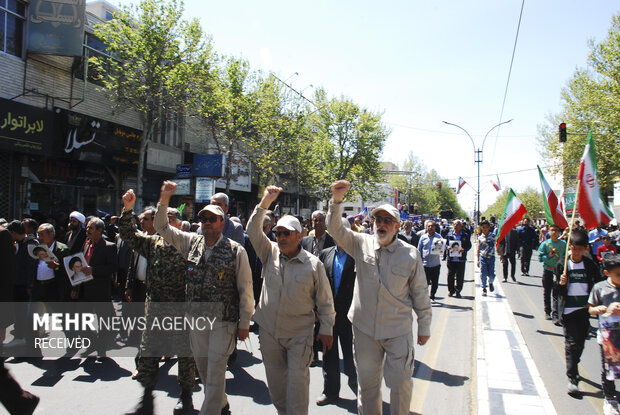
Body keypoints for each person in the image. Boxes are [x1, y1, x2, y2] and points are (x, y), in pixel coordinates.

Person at [326, 180, 431, 415]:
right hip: (365, 331)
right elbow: (335, 230)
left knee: (401, 384)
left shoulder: (410, 254)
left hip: (397, 331)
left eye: (387, 221)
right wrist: (336, 201)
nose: (381, 224)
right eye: (378, 220)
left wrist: (424, 325)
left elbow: (420, 292)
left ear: (397, 226)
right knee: (368, 388)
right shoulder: (360, 243)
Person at [155, 181, 254, 415]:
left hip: (223, 320)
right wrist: (164, 199)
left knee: (217, 368)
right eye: (204, 219)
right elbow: (161, 227)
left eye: (212, 219)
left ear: (222, 222)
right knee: (204, 370)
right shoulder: (191, 242)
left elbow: (246, 290)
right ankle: (221, 402)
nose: (207, 223)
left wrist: (244, 323)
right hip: (196, 319)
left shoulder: (235, 250)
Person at [247, 186, 334, 415]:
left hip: (299, 335)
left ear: (299, 236)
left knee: (297, 386)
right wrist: (265, 201)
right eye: (278, 233)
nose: (282, 237)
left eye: (287, 233)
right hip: (269, 334)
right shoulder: (269, 252)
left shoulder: (314, 265)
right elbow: (252, 229)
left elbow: (325, 302)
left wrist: (326, 328)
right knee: (276, 388)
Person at [120, 190, 197, 415]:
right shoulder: (152, 243)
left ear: (178, 224)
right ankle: (146, 395)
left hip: (182, 310)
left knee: (185, 355)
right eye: (161, 221)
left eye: (169, 221)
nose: (164, 225)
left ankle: (186, 395)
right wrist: (127, 209)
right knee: (148, 353)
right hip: (155, 310)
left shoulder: (190, 245)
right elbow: (127, 233)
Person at [316, 217, 357, 406]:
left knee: (352, 358)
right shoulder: (325, 254)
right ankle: (330, 392)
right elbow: (316, 284)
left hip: (351, 318)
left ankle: (361, 393)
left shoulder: (359, 256)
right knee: (329, 356)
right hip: (329, 316)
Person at [556, 229, 599, 397]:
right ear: (570, 247)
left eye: (580, 249)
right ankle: (573, 378)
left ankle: (575, 361)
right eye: (574, 249)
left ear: (586, 249)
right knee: (571, 343)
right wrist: (560, 283)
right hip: (568, 311)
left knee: (580, 343)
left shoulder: (589, 265)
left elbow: (597, 284)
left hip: (584, 310)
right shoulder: (563, 264)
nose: (577, 253)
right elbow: (557, 292)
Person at [588, 254, 620, 415]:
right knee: (609, 368)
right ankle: (610, 397)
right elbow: (591, 308)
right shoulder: (599, 288)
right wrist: (598, 310)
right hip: (607, 336)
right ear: (607, 273)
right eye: (618, 274)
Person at [538, 224, 567, 323]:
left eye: (556, 230)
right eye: (552, 230)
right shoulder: (545, 244)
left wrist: (561, 261)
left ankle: (556, 314)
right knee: (547, 292)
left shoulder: (563, 244)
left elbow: (566, 257)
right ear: (548, 232)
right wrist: (549, 256)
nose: (554, 232)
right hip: (548, 271)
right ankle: (547, 311)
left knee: (557, 293)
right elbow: (540, 258)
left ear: (559, 232)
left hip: (558, 272)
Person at [417, 220, 443, 300]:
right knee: (424, 283)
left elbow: (443, 248)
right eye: (429, 226)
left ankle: (432, 295)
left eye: (432, 226)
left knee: (435, 283)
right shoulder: (423, 237)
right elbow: (419, 249)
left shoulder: (439, 237)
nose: (430, 228)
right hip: (425, 264)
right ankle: (425, 297)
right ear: (426, 227)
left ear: (435, 228)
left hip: (435, 264)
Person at [446, 220, 472, 298]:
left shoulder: (465, 235)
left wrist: (464, 249)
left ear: (461, 226)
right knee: (450, 275)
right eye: (454, 224)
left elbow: (469, 245)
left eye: (457, 224)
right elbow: (445, 243)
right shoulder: (449, 235)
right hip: (451, 259)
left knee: (460, 276)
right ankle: (451, 290)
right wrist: (447, 247)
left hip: (461, 259)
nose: (455, 226)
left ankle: (458, 291)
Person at [477, 220, 496, 297]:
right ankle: (484, 288)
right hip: (483, 257)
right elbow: (479, 249)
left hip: (491, 257)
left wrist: (501, 255)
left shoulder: (493, 236)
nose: (485, 229)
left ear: (489, 228)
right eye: (483, 227)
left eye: (486, 227)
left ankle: (490, 282)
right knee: (483, 274)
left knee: (491, 274)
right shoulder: (480, 238)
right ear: (481, 228)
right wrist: (478, 260)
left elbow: (498, 245)